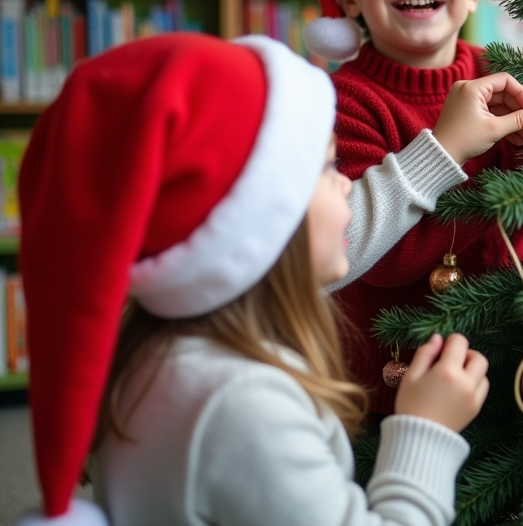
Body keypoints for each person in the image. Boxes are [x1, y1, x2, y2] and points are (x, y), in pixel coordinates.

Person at [17, 33, 493, 526]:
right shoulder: (242, 408)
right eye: (328, 167)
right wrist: (423, 428)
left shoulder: (160, 354)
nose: (347, 184)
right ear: (257, 222)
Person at [303, 0, 523, 417]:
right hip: (395, 392)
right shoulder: (341, 100)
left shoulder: (507, 74)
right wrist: (449, 148)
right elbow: (366, 253)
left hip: (520, 377)